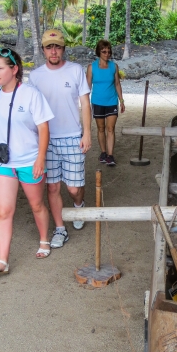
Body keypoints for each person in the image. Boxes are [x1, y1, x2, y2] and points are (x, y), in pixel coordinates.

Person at [0, 46, 54, 274]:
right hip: (3, 163)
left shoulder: (31, 94)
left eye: (0, 68)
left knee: (37, 205)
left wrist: (40, 159)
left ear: (14, 70)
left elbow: (44, 128)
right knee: (3, 211)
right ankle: (2, 260)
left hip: (29, 160)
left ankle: (44, 239)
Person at [28, 28, 92, 249]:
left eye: (57, 47)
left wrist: (87, 133)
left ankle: (79, 205)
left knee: (73, 188)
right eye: (49, 47)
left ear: (63, 49)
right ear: (43, 50)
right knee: (53, 187)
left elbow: (85, 103)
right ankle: (60, 229)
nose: (53, 51)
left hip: (72, 136)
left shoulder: (76, 70)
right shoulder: (35, 77)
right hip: (47, 140)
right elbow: (31, 110)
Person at [86, 39, 125, 167]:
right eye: (104, 51)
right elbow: (87, 86)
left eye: (108, 52)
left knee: (110, 128)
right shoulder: (91, 67)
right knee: (101, 128)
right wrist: (85, 103)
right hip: (97, 102)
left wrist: (121, 100)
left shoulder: (114, 66)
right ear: (99, 52)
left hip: (112, 101)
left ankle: (110, 155)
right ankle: (103, 152)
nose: (107, 54)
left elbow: (117, 84)